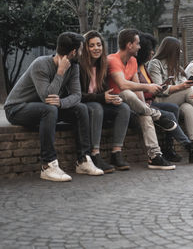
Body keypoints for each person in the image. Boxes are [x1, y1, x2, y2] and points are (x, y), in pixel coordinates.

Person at [4, 32, 103, 182]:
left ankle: (83, 160)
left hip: (47, 108)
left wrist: (62, 103)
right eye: (81, 50)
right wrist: (60, 72)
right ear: (73, 52)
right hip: (16, 108)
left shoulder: (74, 66)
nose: (83, 53)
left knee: (81, 109)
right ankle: (48, 166)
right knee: (49, 109)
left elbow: (77, 96)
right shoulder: (41, 64)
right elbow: (47, 97)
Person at [137, 33, 193, 165]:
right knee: (187, 93)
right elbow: (160, 89)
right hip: (159, 99)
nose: (180, 53)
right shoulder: (155, 64)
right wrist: (183, 88)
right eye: (178, 50)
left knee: (188, 107)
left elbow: (186, 84)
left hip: (172, 100)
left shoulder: (177, 66)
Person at [107, 28, 176, 170]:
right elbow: (122, 84)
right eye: (137, 44)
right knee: (126, 93)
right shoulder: (112, 60)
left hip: (131, 106)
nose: (140, 47)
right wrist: (148, 87)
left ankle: (155, 156)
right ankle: (158, 115)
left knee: (145, 115)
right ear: (129, 45)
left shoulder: (132, 61)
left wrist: (145, 107)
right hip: (112, 103)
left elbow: (138, 89)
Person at [79, 30, 131, 173]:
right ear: (85, 48)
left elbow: (103, 90)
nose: (96, 48)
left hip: (98, 102)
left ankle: (116, 152)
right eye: (91, 45)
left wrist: (112, 98)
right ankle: (94, 154)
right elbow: (77, 95)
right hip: (83, 105)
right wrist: (101, 98)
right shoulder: (79, 66)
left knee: (123, 108)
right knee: (97, 107)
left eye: (99, 45)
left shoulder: (103, 65)